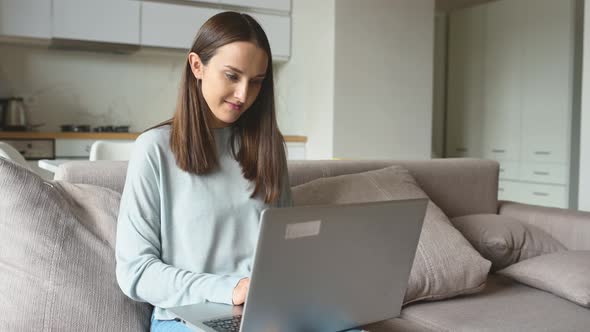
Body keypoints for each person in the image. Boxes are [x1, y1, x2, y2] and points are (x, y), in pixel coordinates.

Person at [115, 11, 293, 331]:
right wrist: (230, 289)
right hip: (187, 316)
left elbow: (288, 249)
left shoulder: (270, 148)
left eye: (256, 82)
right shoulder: (154, 149)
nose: (243, 95)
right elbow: (135, 272)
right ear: (197, 66)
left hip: (265, 315)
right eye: (232, 75)